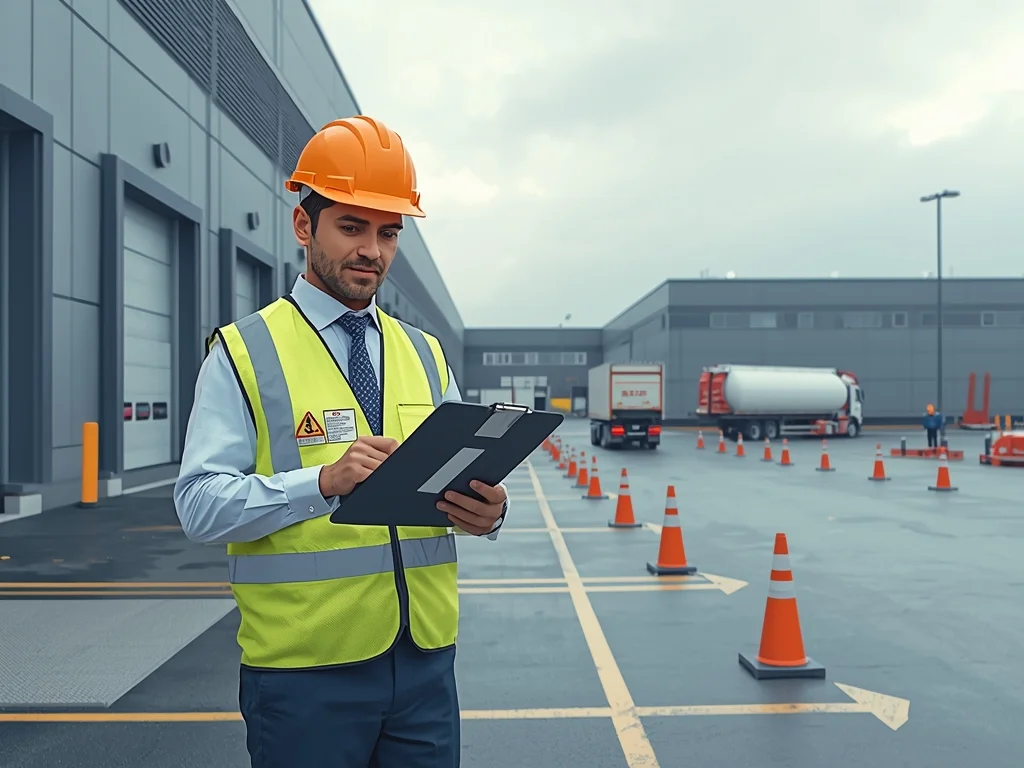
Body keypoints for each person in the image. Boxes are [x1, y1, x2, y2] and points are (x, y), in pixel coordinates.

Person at [173, 115, 509, 768]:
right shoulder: (244, 352)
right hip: (304, 673)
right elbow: (199, 506)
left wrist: (488, 514)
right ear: (305, 225)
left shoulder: (426, 354)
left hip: (424, 663)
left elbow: (456, 481)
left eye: (388, 233)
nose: (372, 251)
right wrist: (322, 482)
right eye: (352, 227)